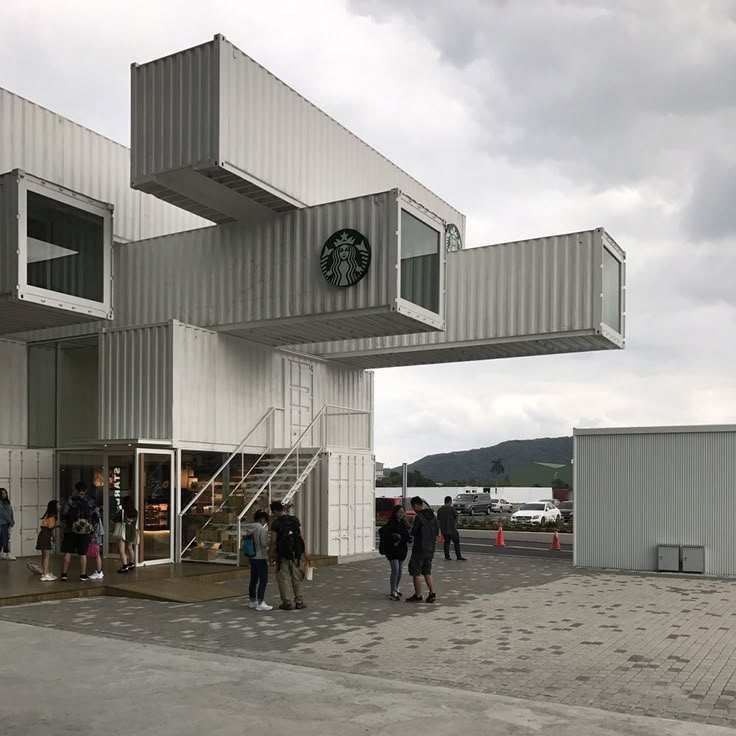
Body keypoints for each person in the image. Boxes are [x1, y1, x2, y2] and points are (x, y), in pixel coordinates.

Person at [269, 501, 309, 611]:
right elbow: (300, 536)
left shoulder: (276, 523)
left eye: (273, 512)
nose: (273, 514)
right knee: (297, 577)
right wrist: (304, 552)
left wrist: (271, 555)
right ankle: (299, 601)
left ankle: (287, 603)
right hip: (296, 553)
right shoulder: (294, 519)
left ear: (275, 511)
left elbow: (273, 541)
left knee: (283, 578)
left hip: (283, 554)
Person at [406, 496, 439, 603]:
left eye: (412, 506)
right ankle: (432, 593)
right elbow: (437, 531)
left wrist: (409, 526)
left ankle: (418, 595)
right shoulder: (433, 516)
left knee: (416, 572)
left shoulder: (419, 517)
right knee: (427, 571)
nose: (413, 509)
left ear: (416, 505)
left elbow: (413, 532)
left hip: (419, 548)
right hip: (430, 548)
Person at [60, 482, 93, 581]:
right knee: (83, 553)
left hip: (70, 529)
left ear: (75, 489)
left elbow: (64, 514)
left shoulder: (70, 500)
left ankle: (64, 574)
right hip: (84, 530)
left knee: (68, 552)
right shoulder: (89, 501)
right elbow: (93, 514)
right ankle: (83, 574)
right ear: (85, 490)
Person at [378, 505, 411, 600]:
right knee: (395, 569)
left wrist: (406, 539)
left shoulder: (404, 523)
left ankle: (396, 588)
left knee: (400, 570)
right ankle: (393, 591)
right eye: (399, 512)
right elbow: (382, 532)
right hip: (392, 550)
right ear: (395, 513)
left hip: (401, 549)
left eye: (402, 512)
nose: (401, 514)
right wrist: (394, 537)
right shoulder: (391, 523)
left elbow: (407, 536)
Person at [243, 510, 272, 612]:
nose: (265, 523)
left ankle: (252, 601)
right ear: (262, 519)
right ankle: (260, 602)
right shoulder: (261, 529)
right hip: (261, 557)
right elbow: (263, 544)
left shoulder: (249, 528)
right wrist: (270, 541)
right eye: (265, 520)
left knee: (253, 580)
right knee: (263, 580)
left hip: (252, 556)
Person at [437, 496, 467, 561]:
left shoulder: (440, 509)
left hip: (444, 530)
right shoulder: (452, 509)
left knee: (446, 543)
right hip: (452, 529)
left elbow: (438, 520)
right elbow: (456, 517)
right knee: (456, 542)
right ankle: (458, 556)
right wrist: (455, 525)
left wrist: (440, 530)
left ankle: (447, 556)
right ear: (450, 501)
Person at [35, 500, 58, 581]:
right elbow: (50, 528)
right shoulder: (52, 516)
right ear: (54, 507)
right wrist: (54, 537)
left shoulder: (47, 515)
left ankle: (45, 572)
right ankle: (45, 574)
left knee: (44, 555)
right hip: (46, 535)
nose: (59, 506)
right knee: (47, 556)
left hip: (42, 535)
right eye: (58, 505)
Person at [113, 496, 137, 573]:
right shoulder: (135, 511)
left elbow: (114, 519)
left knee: (122, 550)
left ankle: (124, 566)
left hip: (123, 532)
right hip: (131, 531)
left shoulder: (122, 512)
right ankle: (131, 563)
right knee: (130, 548)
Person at [86, 491, 104, 580]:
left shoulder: (94, 513)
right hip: (97, 535)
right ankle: (99, 571)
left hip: (95, 536)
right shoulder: (96, 512)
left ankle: (99, 572)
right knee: (97, 554)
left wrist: (93, 536)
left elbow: (95, 526)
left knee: (97, 554)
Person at [0, 488, 16, 560]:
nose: (4, 495)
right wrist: (10, 521)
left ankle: (5, 554)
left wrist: (12, 520)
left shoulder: (7, 502)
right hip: (2, 523)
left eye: (5, 493)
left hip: (7, 524)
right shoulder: (0, 503)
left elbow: (11, 511)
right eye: (2, 493)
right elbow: (4, 514)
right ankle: (7, 554)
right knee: (4, 539)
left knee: (6, 539)